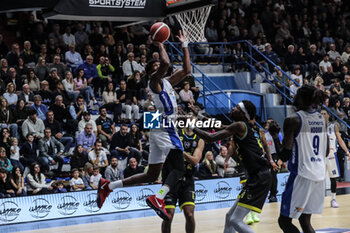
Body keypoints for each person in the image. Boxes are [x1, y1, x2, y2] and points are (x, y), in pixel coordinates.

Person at [97, 31, 190, 221]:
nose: (159, 68)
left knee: (151, 175)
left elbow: (187, 70)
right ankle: (158, 198)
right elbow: (165, 64)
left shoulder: (168, 83)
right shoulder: (154, 82)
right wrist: (161, 44)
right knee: (179, 169)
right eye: (155, 67)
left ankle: (108, 186)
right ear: (150, 73)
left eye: (158, 66)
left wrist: (185, 45)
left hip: (159, 128)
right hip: (166, 128)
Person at [193, 100, 272, 233]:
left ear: (243, 114)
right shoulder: (242, 126)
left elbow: (211, 137)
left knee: (235, 220)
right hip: (258, 176)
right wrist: (199, 115)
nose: (233, 109)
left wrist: (191, 126)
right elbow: (219, 126)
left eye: (236, 107)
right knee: (229, 217)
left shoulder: (240, 126)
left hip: (260, 177)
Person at [269, 85, 328, 233]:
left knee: (284, 221)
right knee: (304, 220)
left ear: (300, 97)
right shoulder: (322, 118)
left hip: (301, 175)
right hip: (320, 175)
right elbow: (326, 151)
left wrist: (275, 136)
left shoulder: (293, 119)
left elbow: (284, 155)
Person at [162, 129, 204, 233]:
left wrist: (181, 151)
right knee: (168, 215)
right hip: (171, 179)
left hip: (187, 180)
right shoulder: (176, 133)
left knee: (189, 214)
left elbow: (195, 161)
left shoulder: (199, 139)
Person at [320, 109, 350, 208]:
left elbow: (340, 140)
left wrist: (347, 151)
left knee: (333, 179)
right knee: (319, 180)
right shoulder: (316, 127)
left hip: (332, 156)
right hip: (320, 157)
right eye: (321, 114)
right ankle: (317, 200)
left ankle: (333, 199)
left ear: (328, 115)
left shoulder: (334, 126)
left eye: (325, 113)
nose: (323, 115)